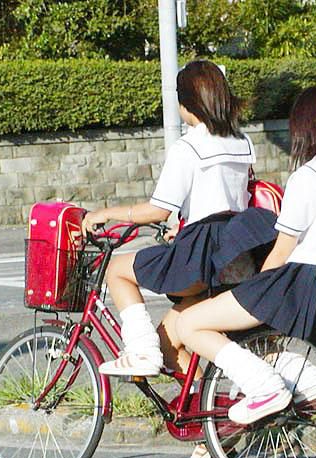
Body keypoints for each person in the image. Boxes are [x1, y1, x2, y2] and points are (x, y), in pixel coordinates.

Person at [176, 86, 316, 430]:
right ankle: (304, 382)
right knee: (242, 328)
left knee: (190, 323)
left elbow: (283, 250)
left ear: (305, 126)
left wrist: (255, 289)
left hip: (303, 283)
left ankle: (265, 388)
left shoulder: (309, 177)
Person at [81, 60, 276, 381]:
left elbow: (157, 210)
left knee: (117, 270)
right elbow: (226, 201)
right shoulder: (241, 142)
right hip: (234, 254)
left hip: (198, 256)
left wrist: (106, 213)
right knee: (168, 344)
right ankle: (201, 403)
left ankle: (140, 352)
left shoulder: (188, 147)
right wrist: (182, 227)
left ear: (187, 104)